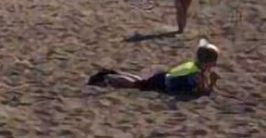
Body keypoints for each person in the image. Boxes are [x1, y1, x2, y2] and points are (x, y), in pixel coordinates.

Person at [88, 41, 220, 97]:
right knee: (138, 85)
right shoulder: (197, 74)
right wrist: (213, 82)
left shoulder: (195, 67)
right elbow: (202, 92)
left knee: (141, 82)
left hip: (164, 78)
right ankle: (110, 78)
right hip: (163, 83)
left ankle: (112, 74)